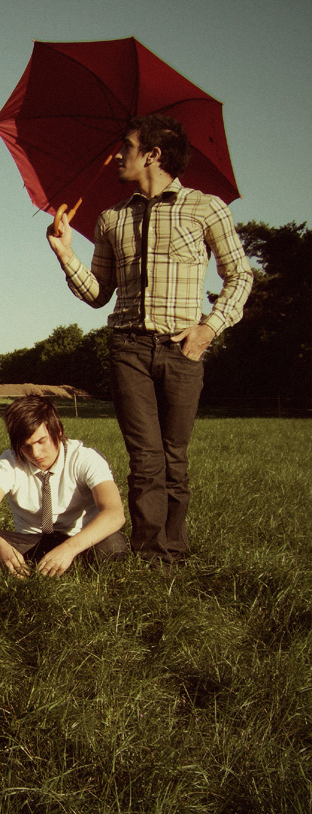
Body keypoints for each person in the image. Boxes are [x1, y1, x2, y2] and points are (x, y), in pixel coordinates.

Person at [46, 114, 253, 564]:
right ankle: (148, 552)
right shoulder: (111, 218)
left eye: (127, 146)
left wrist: (209, 328)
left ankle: (172, 551)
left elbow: (240, 275)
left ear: (153, 155)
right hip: (128, 349)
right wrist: (66, 254)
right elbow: (99, 294)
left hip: (182, 350)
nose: (118, 154)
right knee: (145, 457)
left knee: (173, 456)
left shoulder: (206, 208)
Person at [0, 394, 126, 578]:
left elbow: (114, 513)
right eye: (25, 446)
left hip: (79, 539)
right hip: (30, 541)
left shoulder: (85, 458)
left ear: (58, 430)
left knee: (114, 544)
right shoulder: (10, 461)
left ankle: (48, 565)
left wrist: (69, 549)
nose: (35, 453)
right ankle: (22, 564)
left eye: (41, 441)